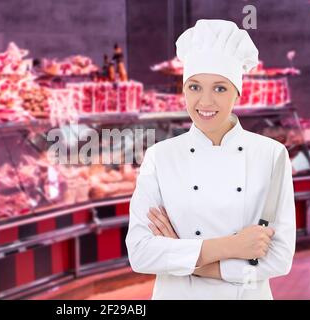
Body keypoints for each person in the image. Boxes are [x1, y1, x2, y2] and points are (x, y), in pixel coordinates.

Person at [125, 19, 296, 300]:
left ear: (237, 92)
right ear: (183, 90)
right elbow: (141, 253)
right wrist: (232, 246)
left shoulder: (272, 156)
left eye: (219, 88)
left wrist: (187, 260)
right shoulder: (160, 157)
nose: (205, 101)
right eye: (194, 87)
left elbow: (279, 258)